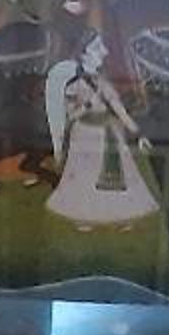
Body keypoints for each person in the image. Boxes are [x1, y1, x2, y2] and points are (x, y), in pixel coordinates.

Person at [43, 32, 159, 230]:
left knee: (120, 179)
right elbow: (69, 115)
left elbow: (120, 110)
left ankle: (122, 216)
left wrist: (138, 134)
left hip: (109, 134)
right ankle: (84, 216)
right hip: (84, 136)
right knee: (84, 179)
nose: (103, 53)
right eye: (97, 49)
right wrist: (87, 105)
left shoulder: (103, 83)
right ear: (84, 55)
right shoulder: (74, 86)